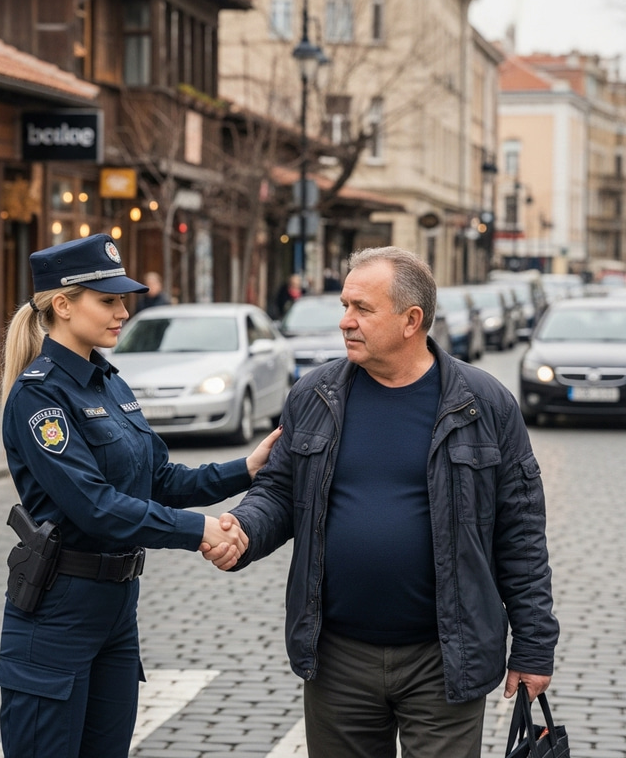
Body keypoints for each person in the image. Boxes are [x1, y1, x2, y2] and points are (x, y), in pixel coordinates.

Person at [204, 246, 559, 758]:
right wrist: (243, 529)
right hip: (338, 659)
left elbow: (521, 534)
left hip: (445, 659)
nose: (346, 321)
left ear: (411, 319)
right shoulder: (315, 395)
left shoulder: (485, 404)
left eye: (362, 309)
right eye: (345, 305)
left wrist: (533, 645)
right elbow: (280, 491)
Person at [0, 233, 280, 758]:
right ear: (62, 304)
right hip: (60, 611)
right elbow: (94, 506)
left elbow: (160, 478)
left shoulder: (108, 382)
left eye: (122, 299)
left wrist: (246, 468)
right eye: (107, 300)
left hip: (116, 610)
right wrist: (199, 532)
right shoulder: (40, 394)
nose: (122, 311)